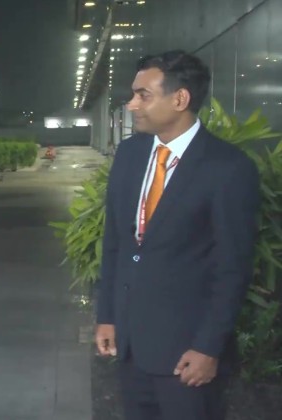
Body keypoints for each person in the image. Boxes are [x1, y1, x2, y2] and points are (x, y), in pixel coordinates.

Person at [95, 50, 260, 420]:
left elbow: (233, 268)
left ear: (180, 98)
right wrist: (107, 315)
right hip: (131, 347)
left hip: (187, 356)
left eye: (143, 95)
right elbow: (116, 244)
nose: (132, 104)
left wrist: (208, 347)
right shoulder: (130, 154)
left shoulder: (228, 168)